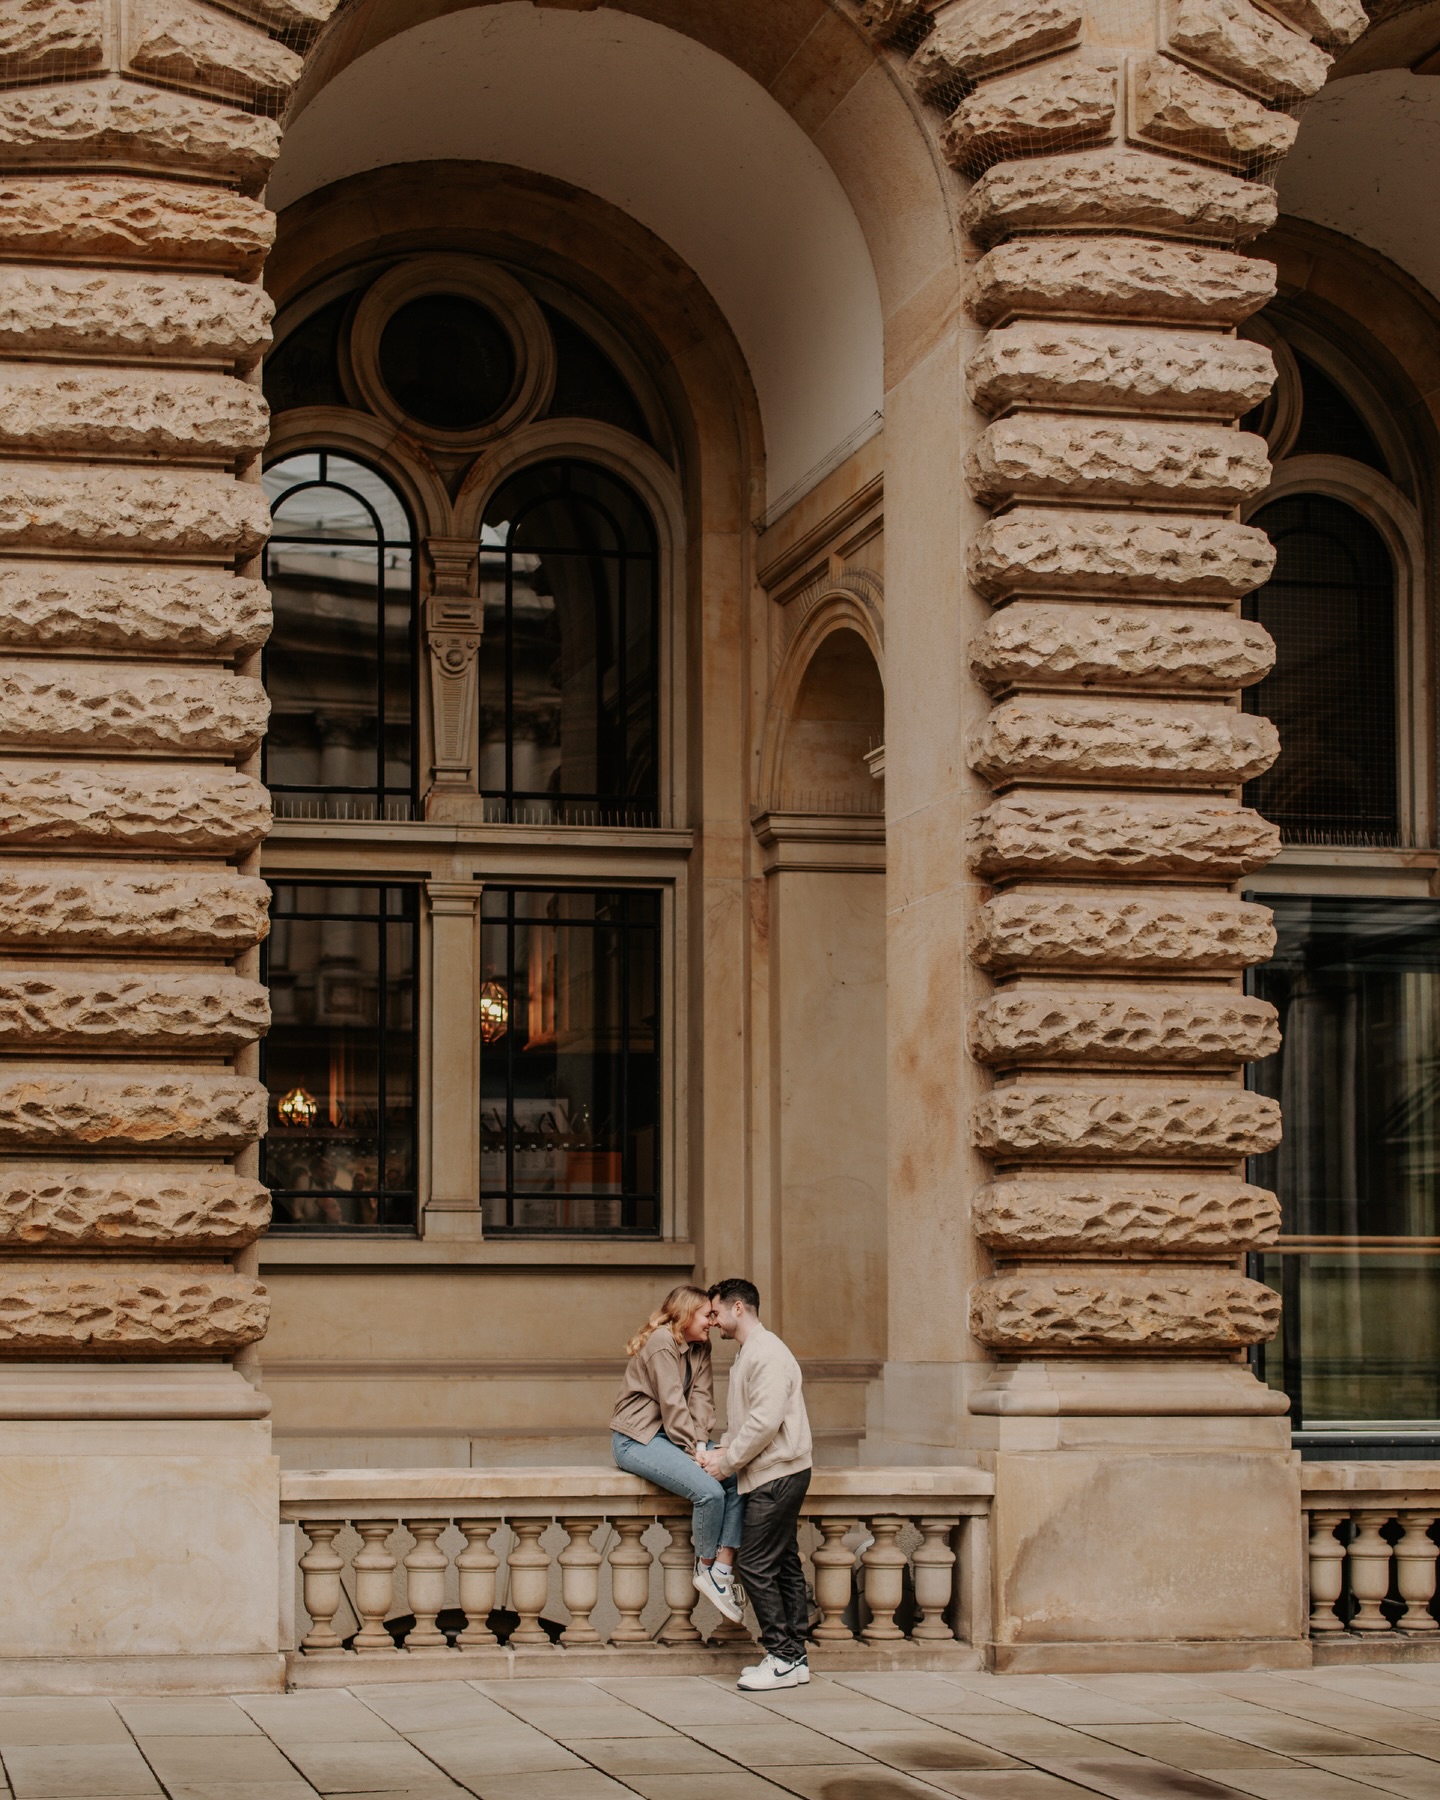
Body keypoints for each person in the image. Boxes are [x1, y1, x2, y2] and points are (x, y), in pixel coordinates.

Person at [698, 1277, 813, 1691]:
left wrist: (726, 1462)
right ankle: (795, 1657)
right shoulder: (753, 1352)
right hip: (777, 1470)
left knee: (754, 1563)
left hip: (777, 1473)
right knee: (782, 1563)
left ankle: (781, 1655)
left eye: (716, 1312)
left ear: (738, 1308)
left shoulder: (765, 1353)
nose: (713, 1321)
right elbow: (748, 1420)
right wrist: (723, 1451)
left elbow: (765, 1421)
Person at [610, 1283, 745, 1622]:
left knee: (740, 1475)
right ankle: (706, 1567)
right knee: (710, 1493)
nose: (712, 1321)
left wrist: (701, 1445)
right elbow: (672, 1403)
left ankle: (722, 1573)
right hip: (637, 1440)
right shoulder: (661, 1343)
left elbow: (702, 1400)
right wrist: (694, 1451)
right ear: (685, 1314)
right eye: (707, 1314)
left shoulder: (700, 1348)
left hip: (675, 1438)